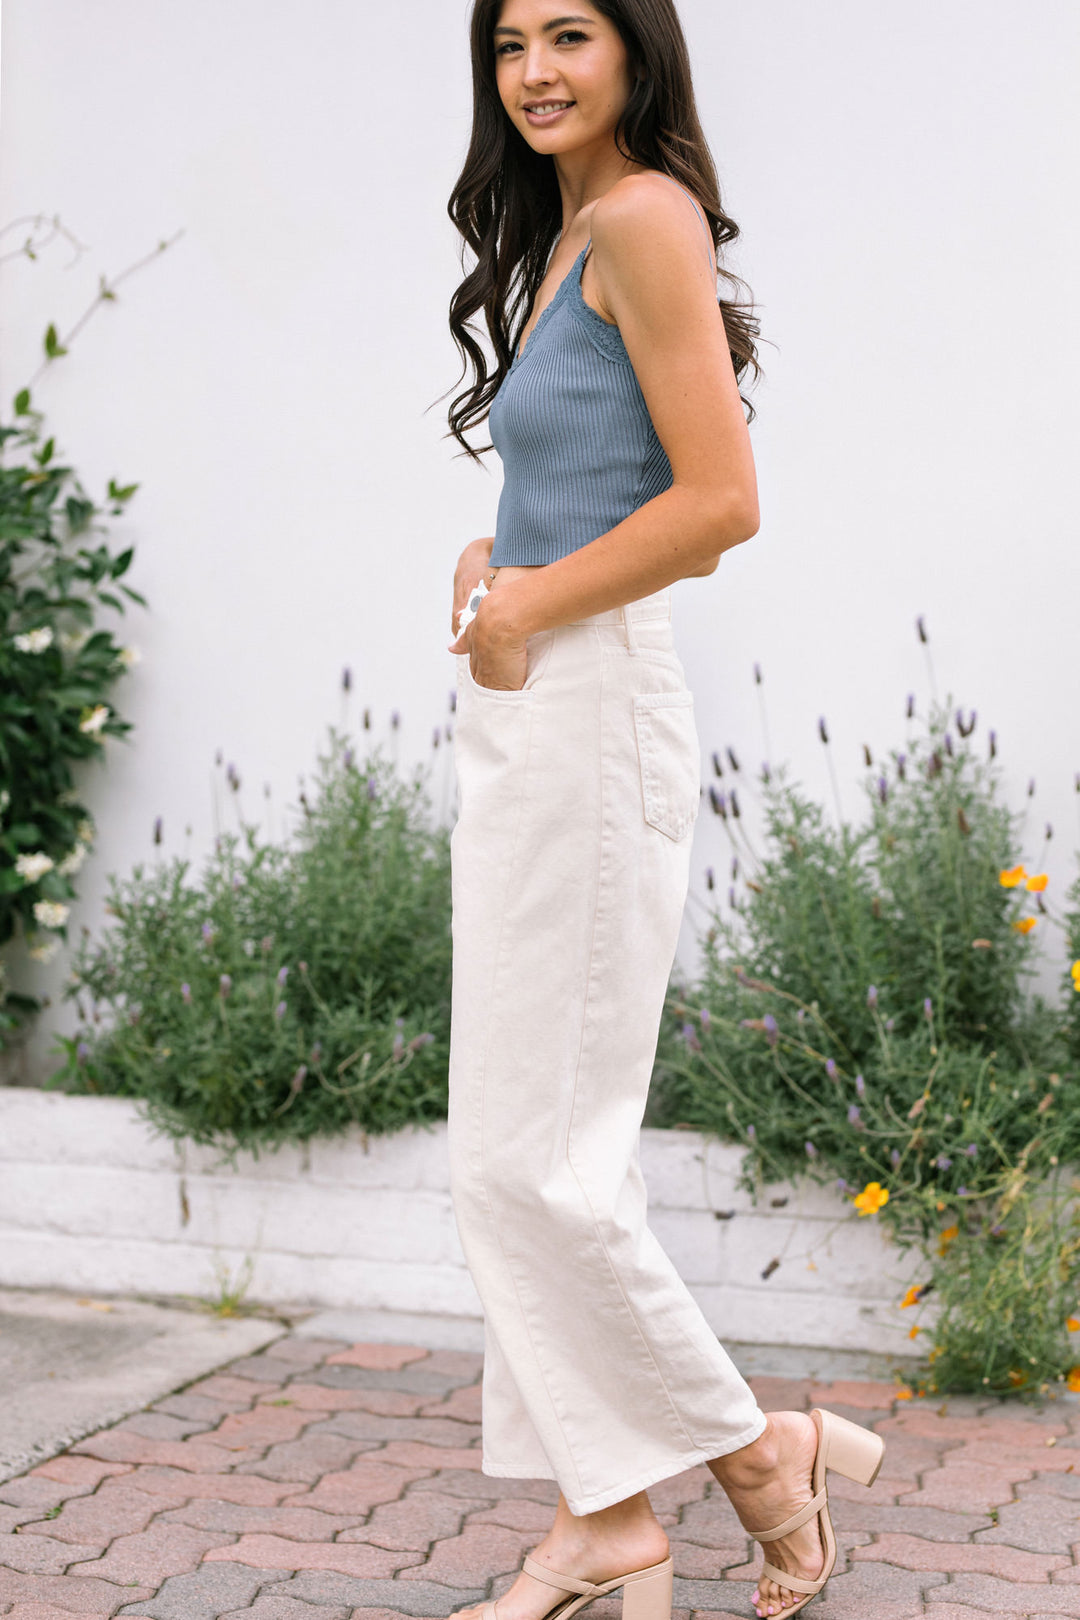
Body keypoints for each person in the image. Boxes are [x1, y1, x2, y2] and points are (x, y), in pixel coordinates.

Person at [442, 5, 885, 1617]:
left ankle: (740, 1466)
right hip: (535, 697)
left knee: (534, 1162)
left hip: (596, 703)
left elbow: (721, 502)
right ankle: (617, 1504)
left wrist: (541, 594)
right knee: (515, 1150)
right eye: (509, 43)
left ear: (638, 52)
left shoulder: (641, 217)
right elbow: (598, 482)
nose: (539, 70)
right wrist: (498, 563)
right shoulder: (569, 233)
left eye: (574, 34)